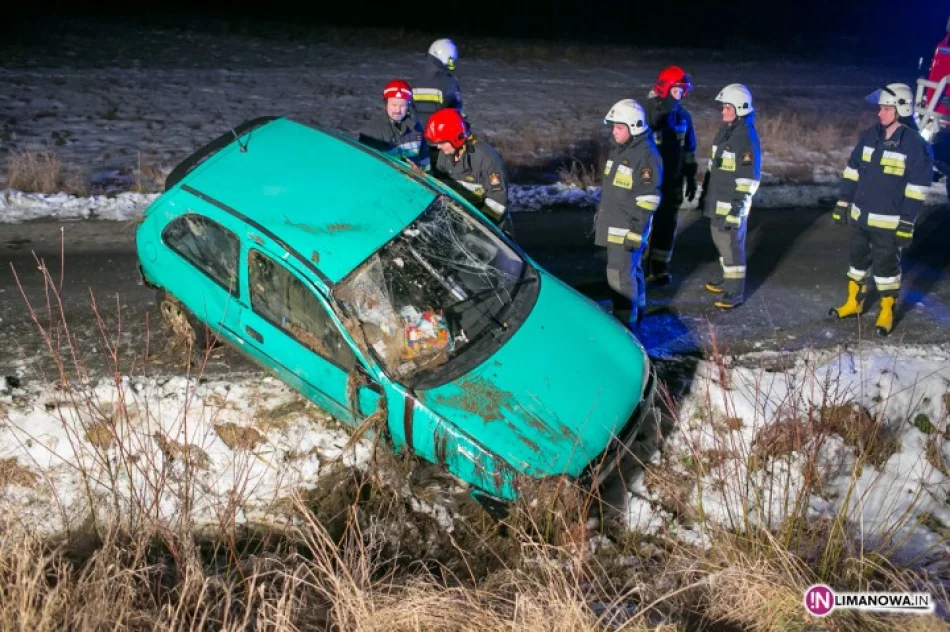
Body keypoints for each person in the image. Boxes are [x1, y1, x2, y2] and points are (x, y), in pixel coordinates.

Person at [829, 83, 934, 336]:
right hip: (861, 218)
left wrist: (907, 223)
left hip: (888, 223)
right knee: (856, 263)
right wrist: (844, 202)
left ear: (901, 109)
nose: (879, 113)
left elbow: (916, 191)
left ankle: (886, 312)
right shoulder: (871, 135)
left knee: (886, 269)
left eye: (886, 108)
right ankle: (854, 303)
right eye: (880, 108)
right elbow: (852, 170)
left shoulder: (914, 146)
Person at [593, 99, 663, 330]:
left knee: (620, 278)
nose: (614, 131)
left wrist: (635, 231)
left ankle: (626, 326)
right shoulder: (622, 149)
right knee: (632, 273)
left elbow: (649, 199)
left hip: (626, 230)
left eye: (618, 127)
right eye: (613, 126)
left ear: (633, 127)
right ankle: (637, 313)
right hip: (617, 225)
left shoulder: (645, 157)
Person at [699, 83, 761, 309]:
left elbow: (748, 179)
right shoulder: (727, 131)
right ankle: (727, 279)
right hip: (718, 200)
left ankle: (734, 292)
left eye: (727, 107)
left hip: (731, 205)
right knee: (721, 243)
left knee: (732, 247)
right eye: (723, 107)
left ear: (740, 109)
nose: (722, 111)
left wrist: (737, 209)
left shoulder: (745, 138)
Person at [644, 65, 699, 286]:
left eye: (684, 91)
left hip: (672, 181)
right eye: (678, 90)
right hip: (649, 182)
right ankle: (636, 269)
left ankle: (659, 268)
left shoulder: (683, 116)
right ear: (665, 88)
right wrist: (663, 111)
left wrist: (691, 175)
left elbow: (688, 149)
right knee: (642, 226)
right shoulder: (646, 111)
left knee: (666, 226)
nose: (682, 95)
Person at [423, 107, 513, 236]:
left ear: (455, 138)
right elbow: (442, 183)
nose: (438, 147)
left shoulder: (485, 157)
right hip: (463, 218)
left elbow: (498, 198)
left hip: (491, 224)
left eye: (441, 142)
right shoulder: (446, 154)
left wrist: (483, 225)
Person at [357, 79, 429, 172]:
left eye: (402, 106)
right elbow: (367, 168)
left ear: (408, 106)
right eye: (394, 105)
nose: (397, 110)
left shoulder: (415, 127)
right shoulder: (371, 132)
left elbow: (425, 161)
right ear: (386, 104)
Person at [413, 38, 464, 167]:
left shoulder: (415, 81)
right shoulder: (447, 83)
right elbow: (455, 113)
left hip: (416, 142)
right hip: (441, 144)